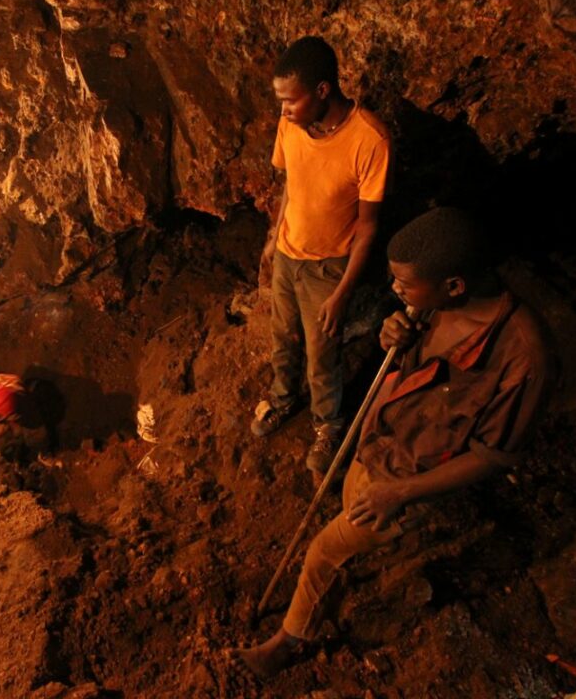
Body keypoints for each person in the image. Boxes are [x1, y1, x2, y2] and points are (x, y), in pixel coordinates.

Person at [234, 207, 555, 679]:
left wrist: (400, 494)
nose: (395, 293)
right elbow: (410, 365)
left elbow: (490, 457)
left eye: (404, 286)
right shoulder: (432, 303)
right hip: (378, 448)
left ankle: (287, 642)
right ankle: (342, 580)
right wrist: (394, 335)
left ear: (454, 285)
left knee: (323, 551)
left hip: (411, 482)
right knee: (345, 530)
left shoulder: (522, 357)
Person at [252, 35, 392, 479]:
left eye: (290, 101)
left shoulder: (368, 140)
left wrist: (341, 293)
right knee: (282, 336)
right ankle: (282, 398)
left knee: (322, 353)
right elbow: (290, 180)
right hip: (289, 253)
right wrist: (275, 234)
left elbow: (369, 227)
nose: (283, 111)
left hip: (329, 266)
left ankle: (327, 426)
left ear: (323, 91)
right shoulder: (291, 124)